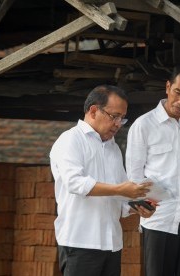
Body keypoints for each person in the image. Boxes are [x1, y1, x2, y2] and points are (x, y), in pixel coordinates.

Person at [49, 84, 155, 276]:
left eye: (122, 118)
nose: (118, 123)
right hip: (80, 242)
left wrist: (136, 207)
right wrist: (120, 190)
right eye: (114, 116)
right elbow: (75, 183)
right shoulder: (70, 140)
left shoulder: (113, 148)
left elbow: (119, 200)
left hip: (111, 243)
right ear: (93, 111)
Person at [125, 64, 180, 276]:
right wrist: (140, 206)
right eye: (178, 93)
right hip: (160, 218)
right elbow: (134, 176)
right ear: (167, 87)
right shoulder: (143, 125)